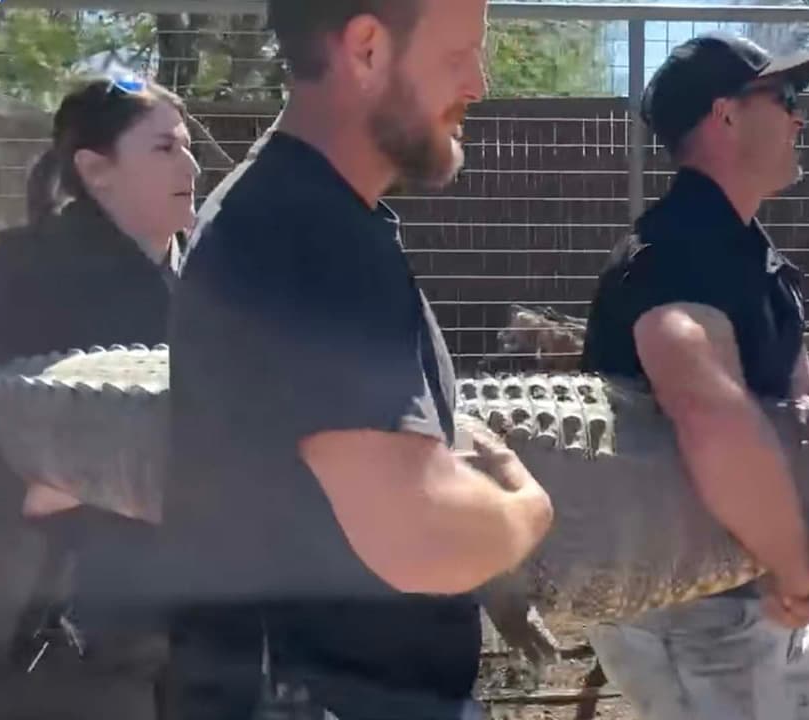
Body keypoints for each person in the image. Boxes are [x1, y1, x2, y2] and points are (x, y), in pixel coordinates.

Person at [159, 1, 554, 718]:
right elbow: (419, 536)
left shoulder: (294, 213)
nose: (480, 83)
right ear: (367, 48)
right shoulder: (307, 233)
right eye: (459, 53)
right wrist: (527, 509)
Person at [578, 32, 809, 720]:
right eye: (783, 98)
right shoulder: (677, 255)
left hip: (749, 588)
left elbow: (800, 406)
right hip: (695, 608)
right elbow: (707, 413)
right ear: (725, 116)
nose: (798, 116)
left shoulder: (750, 258)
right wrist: (799, 563)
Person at [0, 73, 200, 719]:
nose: (191, 164)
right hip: (53, 636)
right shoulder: (1, 279)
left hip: (201, 632)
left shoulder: (216, 278)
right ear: (95, 169)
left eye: (188, 144)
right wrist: (27, 491)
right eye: (165, 148)